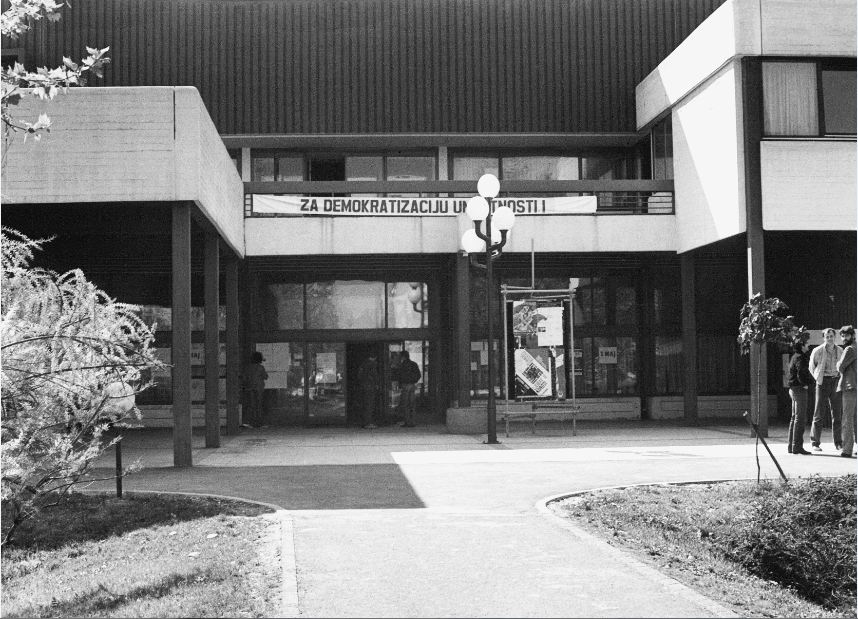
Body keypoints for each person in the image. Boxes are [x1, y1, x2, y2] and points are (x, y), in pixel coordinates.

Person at [809, 328, 844, 451]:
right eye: (827, 336)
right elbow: (811, 367)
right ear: (824, 338)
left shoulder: (840, 350)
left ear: (835, 337)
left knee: (837, 414)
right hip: (823, 382)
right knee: (819, 413)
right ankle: (815, 443)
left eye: (831, 336)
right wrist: (818, 378)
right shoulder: (817, 351)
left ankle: (838, 443)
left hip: (835, 381)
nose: (829, 338)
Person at [787, 341, 813, 455]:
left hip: (793, 388)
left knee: (794, 418)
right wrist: (805, 384)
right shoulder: (800, 357)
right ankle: (797, 446)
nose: (808, 346)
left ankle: (791, 446)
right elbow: (801, 372)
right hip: (799, 389)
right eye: (806, 344)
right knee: (800, 418)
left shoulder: (794, 356)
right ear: (802, 347)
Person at [836, 325, 856, 458]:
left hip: (850, 386)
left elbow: (840, 366)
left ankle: (847, 449)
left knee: (847, 419)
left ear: (852, 335)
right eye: (842, 335)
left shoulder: (849, 349)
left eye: (846, 335)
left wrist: (838, 364)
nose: (844, 338)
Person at [242, 351, 268, 428]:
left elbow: (244, 378)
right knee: (258, 405)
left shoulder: (248, 368)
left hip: (249, 388)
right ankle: (258, 423)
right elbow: (265, 377)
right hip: (259, 388)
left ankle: (249, 422)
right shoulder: (261, 367)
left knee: (251, 404)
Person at [397, 351, 422, 428]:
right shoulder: (414, 364)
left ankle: (407, 422)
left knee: (406, 404)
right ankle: (413, 422)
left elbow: (399, 376)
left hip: (405, 385)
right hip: (412, 385)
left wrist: (401, 384)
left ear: (403, 357)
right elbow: (419, 375)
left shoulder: (402, 365)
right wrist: (413, 381)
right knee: (412, 404)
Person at [357, 354, 380, 429]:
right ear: (375, 357)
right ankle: (368, 422)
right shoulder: (372, 364)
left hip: (364, 386)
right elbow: (375, 375)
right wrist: (376, 383)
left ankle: (365, 422)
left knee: (365, 404)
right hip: (370, 387)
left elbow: (359, 376)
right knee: (370, 405)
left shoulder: (363, 364)